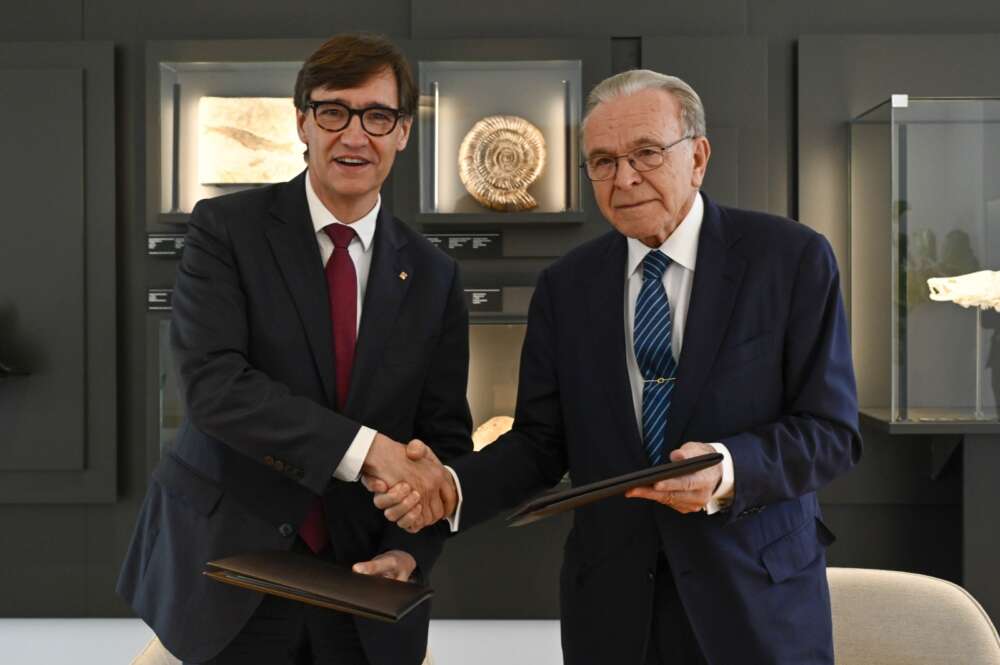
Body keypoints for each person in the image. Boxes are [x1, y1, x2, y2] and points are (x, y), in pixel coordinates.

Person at [374, 69, 862, 664]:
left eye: (647, 153)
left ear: (698, 156)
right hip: (612, 609)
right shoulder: (565, 286)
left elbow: (831, 432)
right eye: (602, 161)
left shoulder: (791, 259)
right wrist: (451, 488)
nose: (624, 178)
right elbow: (539, 443)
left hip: (757, 600)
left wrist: (726, 471)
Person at [117, 33, 471, 665]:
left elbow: (440, 434)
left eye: (377, 116)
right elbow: (214, 387)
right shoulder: (226, 229)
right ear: (303, 122)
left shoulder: (434, 274)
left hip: (360, 585)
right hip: (226, 571)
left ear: (403, 133)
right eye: (333, 111)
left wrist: (409, 549)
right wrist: (367, 452)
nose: (354, 135)